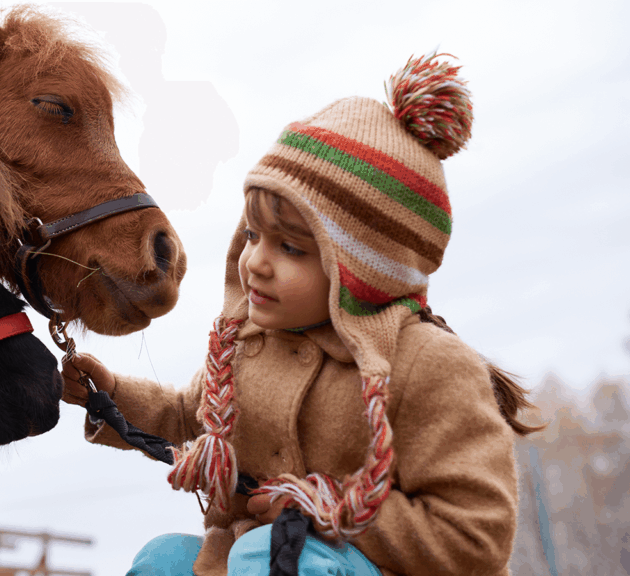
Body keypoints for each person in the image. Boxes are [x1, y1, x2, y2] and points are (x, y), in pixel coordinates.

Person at [61, 52, 541, 576]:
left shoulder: (428, 366)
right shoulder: (249, 346)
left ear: (362, 267)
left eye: (290, 248)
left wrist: (325, 508)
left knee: (260, 555)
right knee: (162, 562)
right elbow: (186, 415)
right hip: (253, 557)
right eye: (251, 236)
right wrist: (107, 394)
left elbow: (476, 533)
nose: (255, 263)